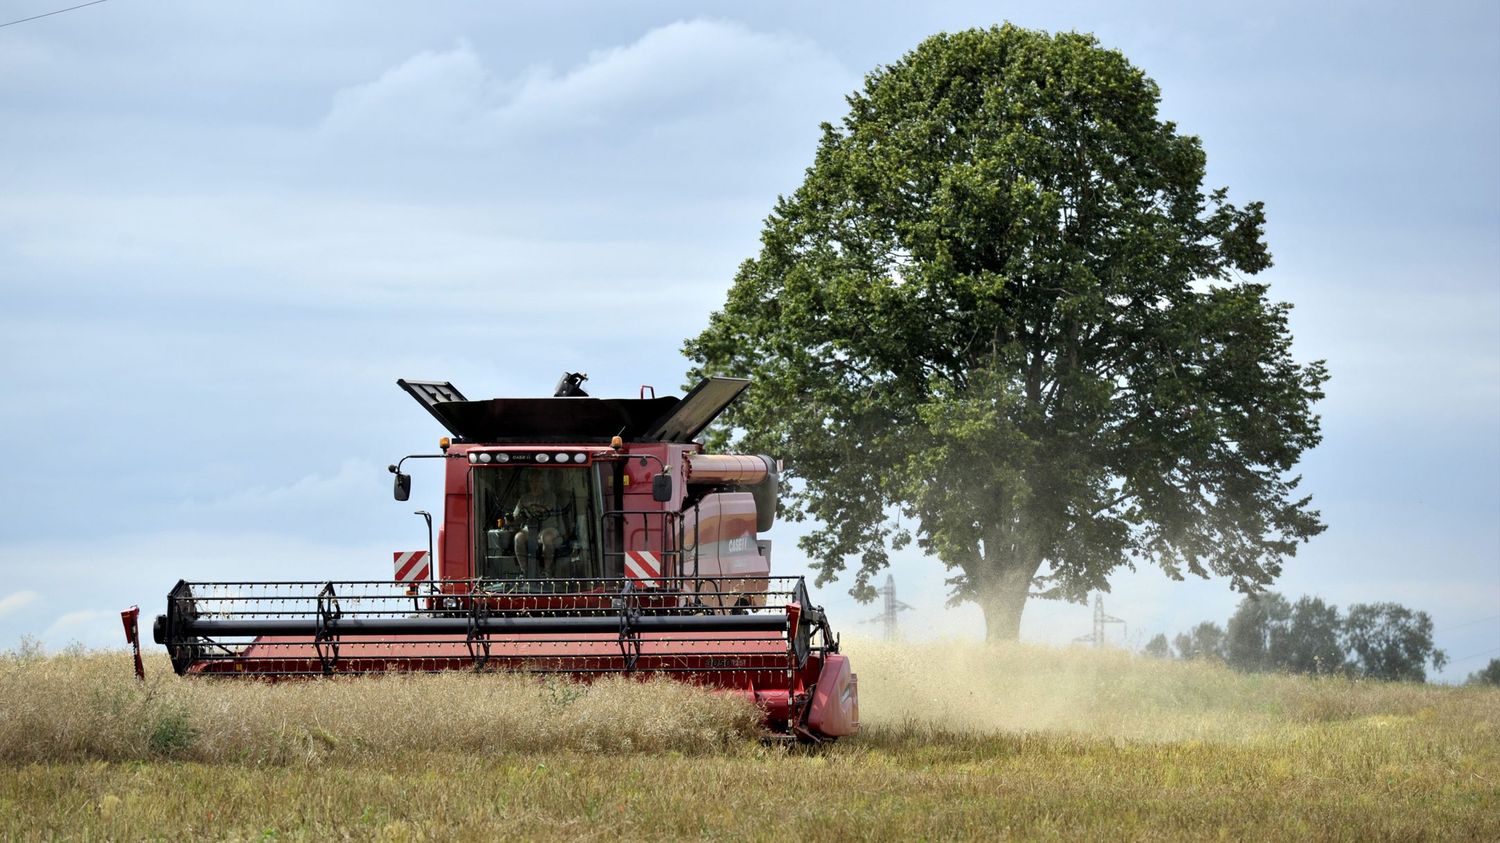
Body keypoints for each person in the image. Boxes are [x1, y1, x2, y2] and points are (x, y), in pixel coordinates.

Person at [511, 471, 568, 575]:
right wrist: (512, 519)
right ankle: (524, 570)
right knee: (518, 537)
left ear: (542, 482)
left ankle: (547, 570)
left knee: (546, 538)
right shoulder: (524, 498)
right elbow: (516, 514)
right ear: (529, 483)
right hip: (529, 528)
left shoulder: (550, 496)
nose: (535, 483)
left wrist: (530, 507)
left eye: (537, 481)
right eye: (532, 481)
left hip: (548, 527)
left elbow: (545, 509)